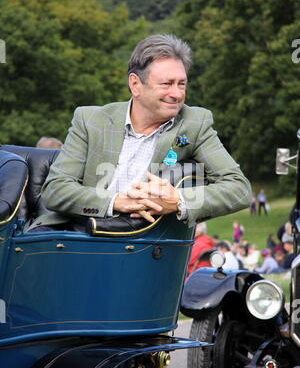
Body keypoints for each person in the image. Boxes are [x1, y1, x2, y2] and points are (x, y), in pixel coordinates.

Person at [28, 34, 251, 232]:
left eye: (181, 84)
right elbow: (56, 189)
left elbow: (239, 188)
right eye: (166, 84)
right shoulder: (90, 120)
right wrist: (115, 201)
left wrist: (179, 200)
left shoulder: (195, 123)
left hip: (144, 245)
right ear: (135, 84)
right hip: (77, 234)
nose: (176, 94)